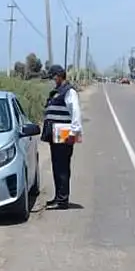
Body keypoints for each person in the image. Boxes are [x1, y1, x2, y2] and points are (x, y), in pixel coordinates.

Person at [40, 64, 82, 210]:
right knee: (57, 166)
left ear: (58, 76)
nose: (52, 81)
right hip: (55, 134)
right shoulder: (57, 92)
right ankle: (58, 197)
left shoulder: (69, 92)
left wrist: (73, 134)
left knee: (62, 167)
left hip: (64, 134)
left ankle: (63, 200)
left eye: (52, 78)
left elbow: (75, 113)